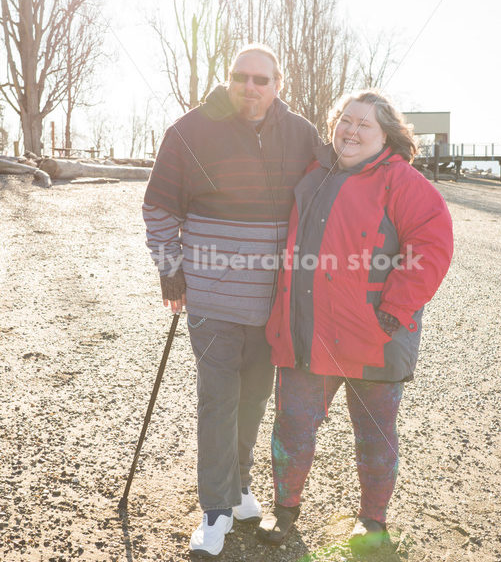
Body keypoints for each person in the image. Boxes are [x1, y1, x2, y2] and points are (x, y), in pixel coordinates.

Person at [142, 44, 321, 557]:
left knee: (253, 400)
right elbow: (158, 206)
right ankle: (216, 509)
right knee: (218, 402)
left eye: (260, 79)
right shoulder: (189, 131)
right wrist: (170, 267)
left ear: (278, 83)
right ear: (228, 78)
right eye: (240, 76)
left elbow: (335, 188)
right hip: (213, 299)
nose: (249, 87)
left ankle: (239, 487)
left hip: (274, 303)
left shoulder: (302, 134)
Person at [256, 90, 454, 552]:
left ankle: (373, 522)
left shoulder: (401, 181)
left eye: (365, 125)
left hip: (375, 336)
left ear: (386, 134)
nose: (351, 130)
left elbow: (432, 246)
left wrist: (394, 311)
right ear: (332, 126)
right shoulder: (313, 174)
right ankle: (285, 508)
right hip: (308, 334)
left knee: (376, 435)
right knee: (292, 425)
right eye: (345, 120)